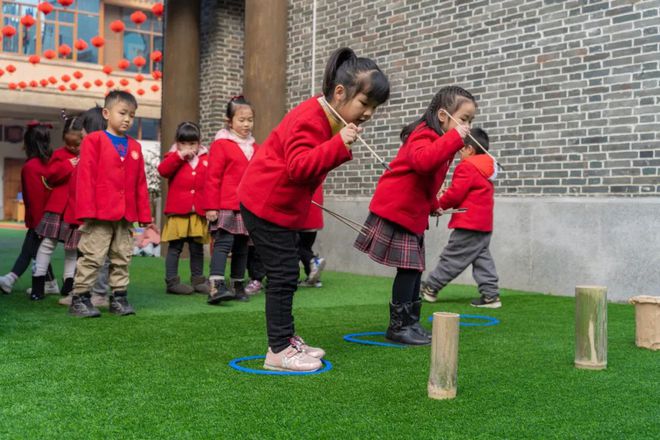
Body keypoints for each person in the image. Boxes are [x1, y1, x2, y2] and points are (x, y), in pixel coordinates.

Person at [238, 47, 390, 372]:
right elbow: (298, 167)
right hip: (265, 204)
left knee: (287, 273)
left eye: (374, 108)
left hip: (277, 206)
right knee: (283, 275)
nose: (369, 114)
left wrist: (337, 142)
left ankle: (286, 339)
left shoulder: (326, 116)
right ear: (339, 93)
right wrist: (338, 145)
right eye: (365, 104)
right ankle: (278, 351)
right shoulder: (312, 117)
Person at [355, 86, 475, 345]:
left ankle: (410, 322)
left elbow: (428, 180)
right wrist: (454, 138)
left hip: (413, 211)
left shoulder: (443, 141)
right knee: (409, 269)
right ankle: (398, 327)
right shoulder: (424, 134)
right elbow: (422, 162)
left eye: (470, 121)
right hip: (398, 209)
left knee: (416, 269)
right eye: (464, 119)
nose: (467, 126)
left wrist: (433, 204)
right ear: (444, 115)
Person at [69, 91, 151, 318]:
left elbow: (140, 184)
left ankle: (119, 298)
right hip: (99, 214)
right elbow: (85, 178)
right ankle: (80, 298)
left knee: (122, 256)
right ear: (106, 113)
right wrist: (85, 212)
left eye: (132, 116)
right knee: (93, 255)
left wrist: (145, 217)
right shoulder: (94, 141)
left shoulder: (135, 147)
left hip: (125, 216)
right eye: (123, 113)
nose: (127, 119)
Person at [421, 128, 501, 308]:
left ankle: (431, 288)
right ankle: (491, 295)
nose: (459, 154)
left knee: (453, 257)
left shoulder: (467, 166)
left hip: (468, 223)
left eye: (461, 150)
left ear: (470, 149)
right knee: (482, 258)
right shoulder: (485, 168)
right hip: (483, 224)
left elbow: (456, 194)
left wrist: (438, 204)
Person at [58, 106, 112, 307]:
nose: (81, 133)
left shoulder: (99, 155)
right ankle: (83, 291)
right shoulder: (87, 154)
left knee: (99, 255)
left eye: (83, 129)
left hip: (96, 215)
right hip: (84, 214)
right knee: (86, 254)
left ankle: (98, 293)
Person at [204, 96, 257, 304]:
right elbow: (212, 177)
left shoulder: (255, 147)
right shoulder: (221, 144)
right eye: (241, 120)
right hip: (225, 205)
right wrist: (210, 206)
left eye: (250, 120)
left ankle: (237, 285)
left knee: (243, 247)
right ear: (229, 121)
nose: (246, 124)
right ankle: (216, 286)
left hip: (246, 206)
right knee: (223, 244)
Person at [29, 113, 84, 300]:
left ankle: (68, 285)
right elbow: (50, 177)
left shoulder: (88, 157)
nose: (73, 148)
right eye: (69, 144)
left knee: (72, 249)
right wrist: (68, 165)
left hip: (75, 210)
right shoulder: (59, 155)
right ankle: (38, 285)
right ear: (63, 140)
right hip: (56, 209)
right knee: (46, 245)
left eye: (77, 144)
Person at [0, 122, 57, 295]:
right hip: (52, 217)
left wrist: (37, 224)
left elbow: (34, 199)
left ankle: (10, 279)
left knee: (30, 249)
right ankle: (50, 283)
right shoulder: (51, 163)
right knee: (38, 250)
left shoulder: (30, 167)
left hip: (40, 219)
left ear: (28, 143)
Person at [158, 121, 210, 294]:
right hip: (178, 212)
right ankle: (172, 282)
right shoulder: (172, 157)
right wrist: (179, 156)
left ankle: (198, 280)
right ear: (177, 142)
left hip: (198, 212)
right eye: (184, 143)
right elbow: (163, 171)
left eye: (192, 143)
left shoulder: (205, 159)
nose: (188, 147)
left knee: (197, 248)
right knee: (175, 248)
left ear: (199, 142)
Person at [297, 186, 326, 288]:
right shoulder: (316, 176)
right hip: (314, 219)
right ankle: (314, 279)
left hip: (302, 218)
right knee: (305, 248)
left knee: (296, 248)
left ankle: (313, 260)